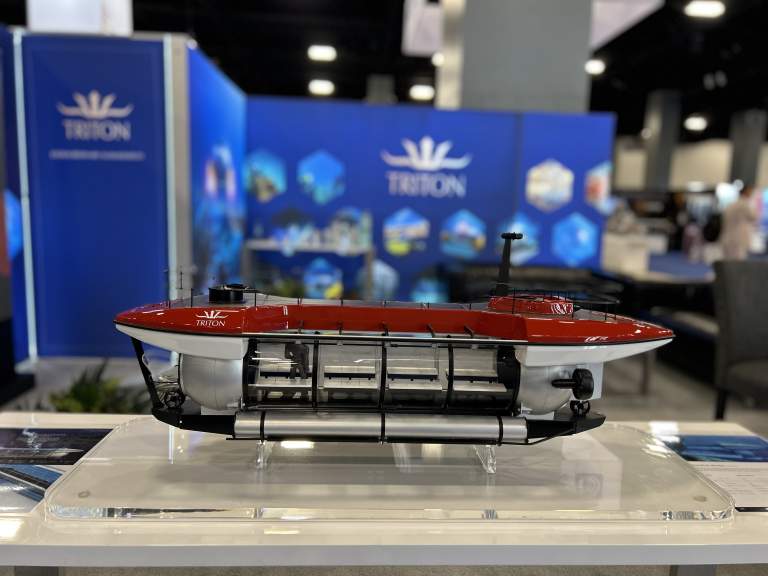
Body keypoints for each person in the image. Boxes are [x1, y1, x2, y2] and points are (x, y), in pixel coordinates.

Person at [721, 186, 758, 260]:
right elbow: (754, 216)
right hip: (738, 239)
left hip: (728, 238)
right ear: (746, 192)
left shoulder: (731, 204)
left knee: (728, 261)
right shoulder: (744, 204)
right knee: (738, 262)